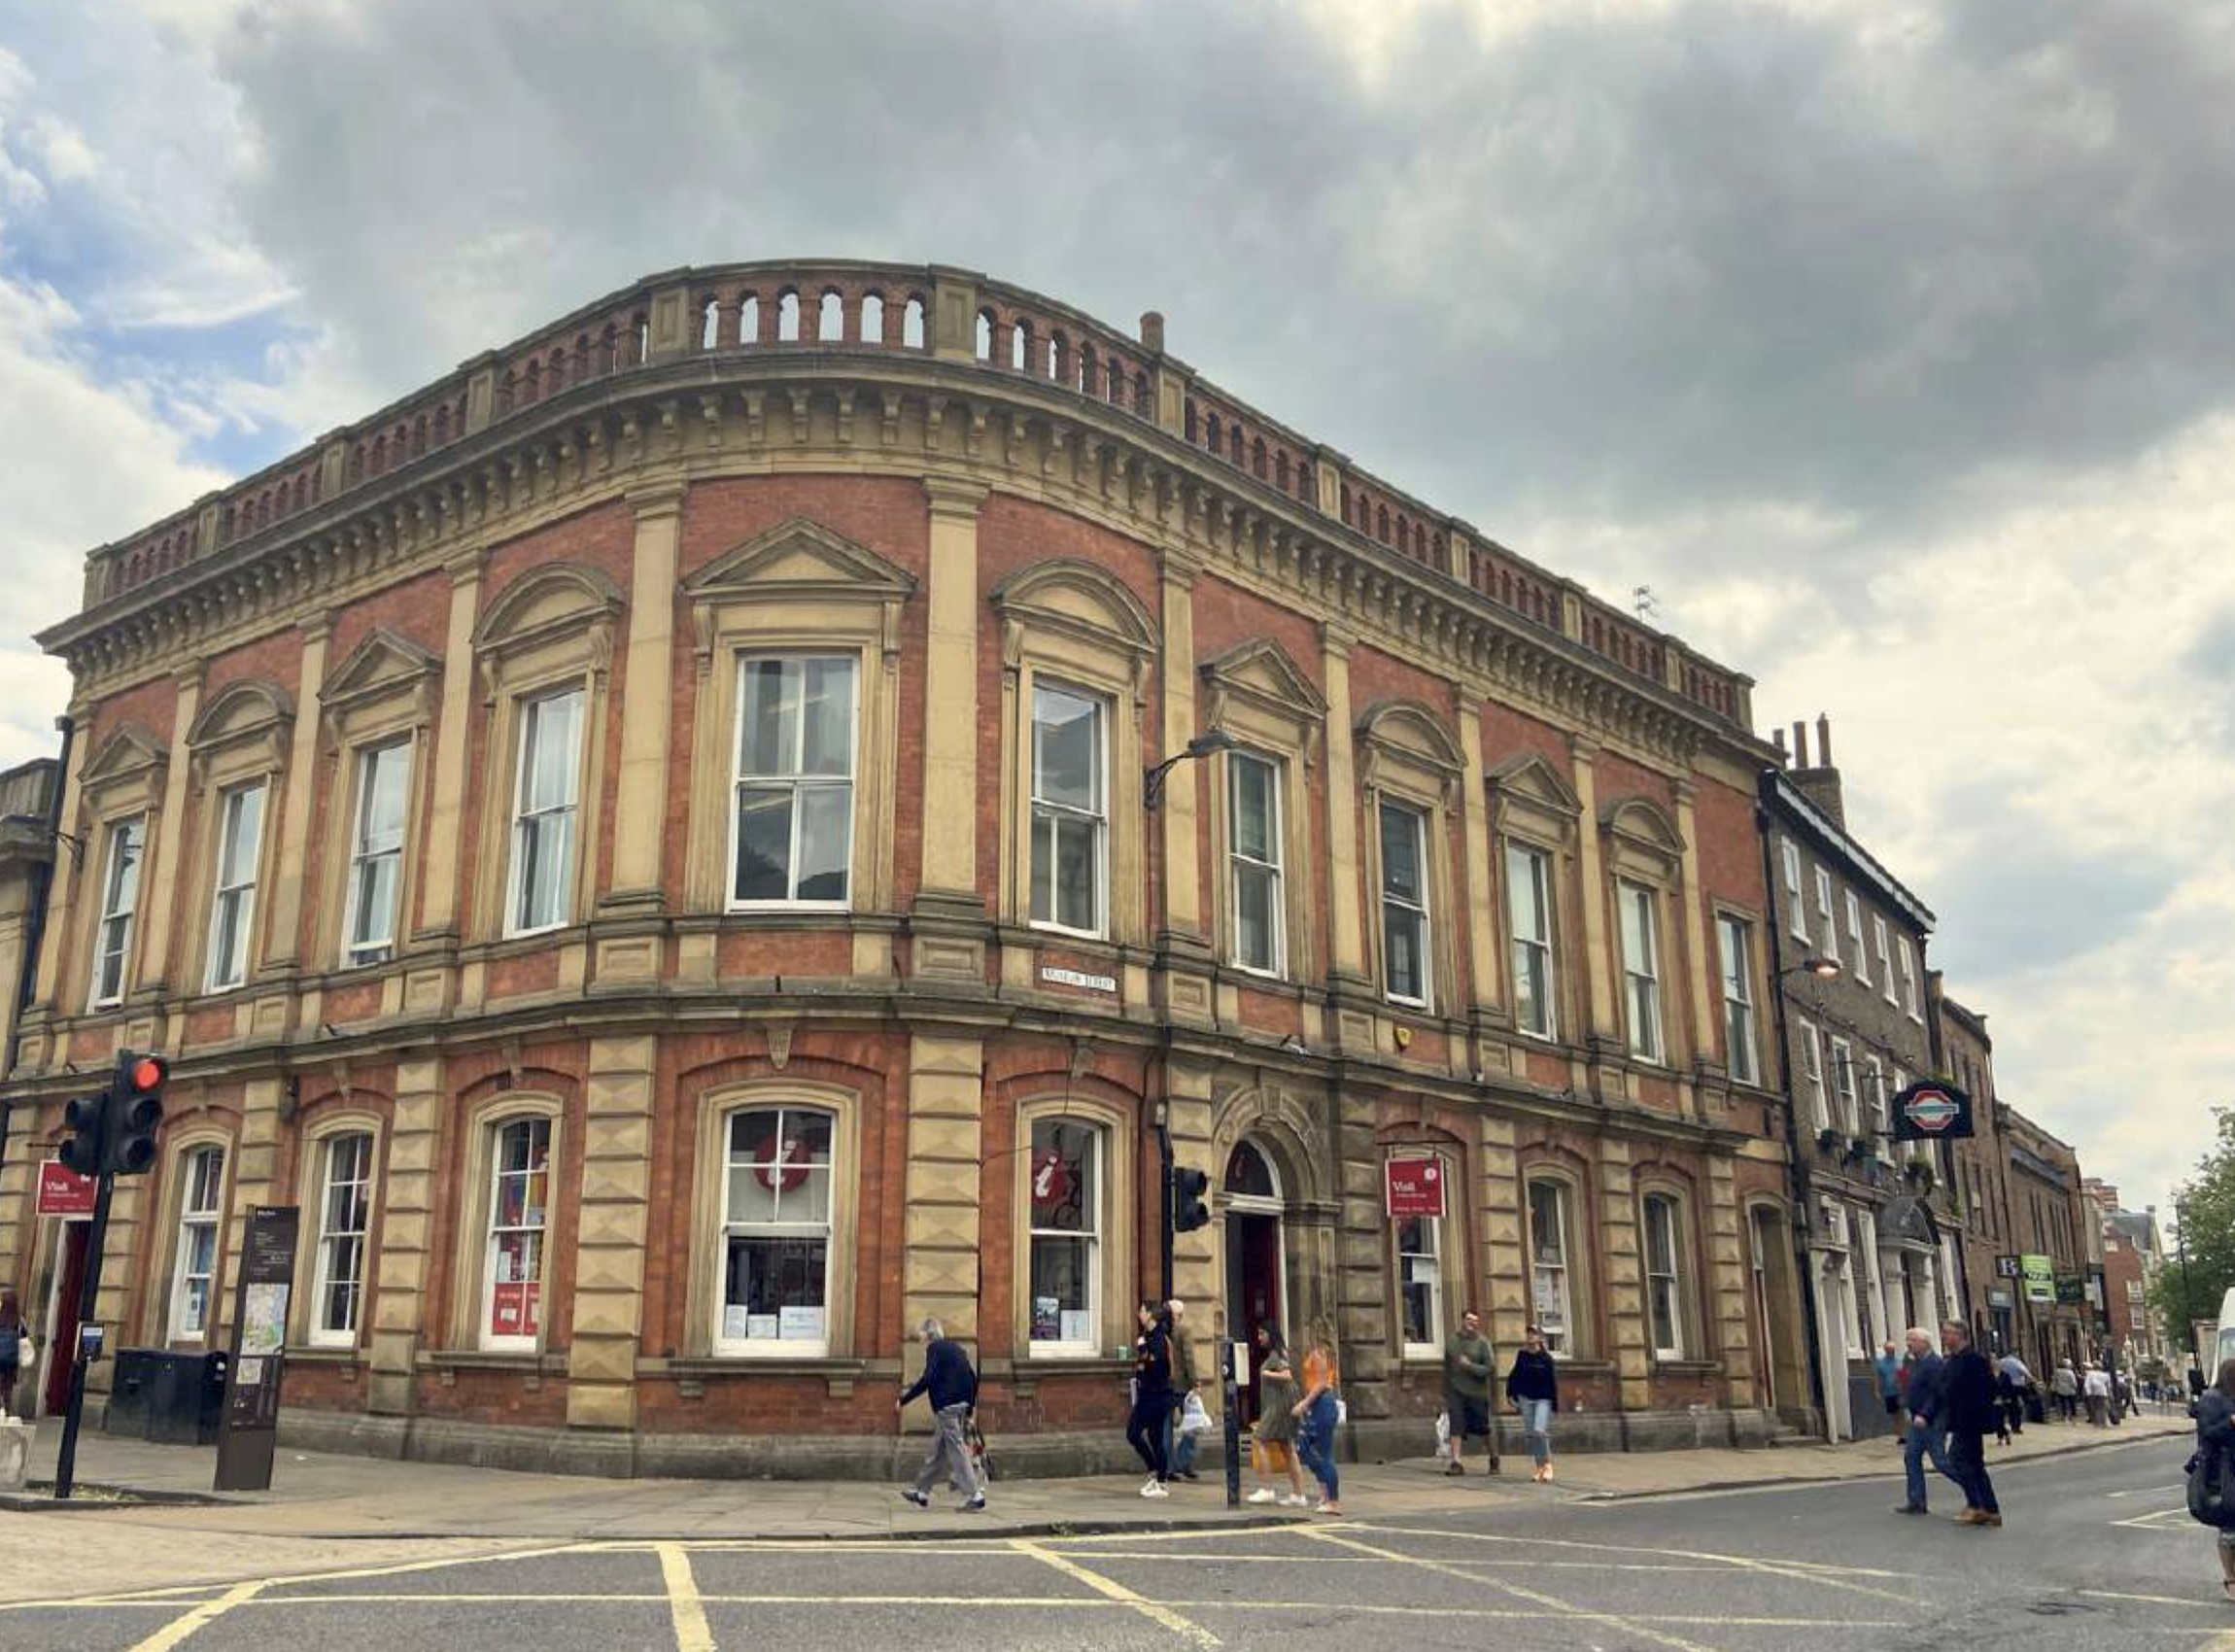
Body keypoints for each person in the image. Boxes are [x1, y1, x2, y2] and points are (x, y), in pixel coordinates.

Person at [896, 1317, 984, 1511]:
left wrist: (904, 1400)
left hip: (947, 1408)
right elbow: (971, 1377)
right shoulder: (956, 1349)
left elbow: (927, 1379)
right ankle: (922, 1492)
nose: (919, 1338)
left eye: (921, 1333)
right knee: (937, 1451)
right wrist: (969, 1408)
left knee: (957, 1450)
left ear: (929, 1334)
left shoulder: (934, 1349)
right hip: (960, 1405)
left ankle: (975, 1495)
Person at [1941, 1319, 2002, 1528]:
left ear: (1960, 1335)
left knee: (1956, 1459)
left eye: (1948, 1333)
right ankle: (1990, 1509)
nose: (1944, 1337)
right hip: (1960, 1420)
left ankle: (1977, 1506)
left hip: (1970, 1421)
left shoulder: (1973, 1360)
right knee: (1975, 1464)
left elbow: (1990, 1388)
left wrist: (1976, 1411)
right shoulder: (1954, 1360)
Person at [1245, 1324, 1310, 1507]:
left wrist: (1266, 1373)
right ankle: (1299, 1494)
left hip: (1280, 1406)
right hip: (1283, 1404)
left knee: (1259, 1440)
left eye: (1262, 1333)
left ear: (1271, 1335)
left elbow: (1288, 1375)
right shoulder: (1279, 1353)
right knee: (1287, 1448)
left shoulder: (1277, 1355)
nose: (1259, 1337)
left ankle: (1267, 1490)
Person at [1897, 1325, 1958, 1515]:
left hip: (1932, 1420)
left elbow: (1936, 1394)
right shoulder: (1917, 1363)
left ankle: (1973, 1486)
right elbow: (1913, 1388)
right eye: (1908, 1340)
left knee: (1940, 1461)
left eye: (1912, 1340)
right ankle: (1916, 1501)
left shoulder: (1934, 1364)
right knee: (1911, 1457)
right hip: (1918, 1420)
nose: (1909, 1344)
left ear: (1924, 1343)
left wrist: (1925, 1414)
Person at [2193, 1356, 2235, 1603]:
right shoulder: (2212, 1399)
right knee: (2229, 1527)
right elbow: (2207, 1433)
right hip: (2222, 1472)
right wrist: (2230, 1423)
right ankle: (2231, 1579)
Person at [1290, 1322, 1343, 1516]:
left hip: (1322, 1403)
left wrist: (1304, 1404)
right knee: (1305, 1448)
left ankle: (1334, 1501)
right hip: (1317, 1404)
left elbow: (1321, 1384)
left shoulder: (1320, 1353)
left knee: (1324, 1453)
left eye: (1309, 1330)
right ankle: (1324, 1493)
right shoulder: (1316, 1352)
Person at [1443, 1309, 1498, 1476]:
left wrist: (1470, 1366)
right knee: (1456, 1426)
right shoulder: (1453, 1341)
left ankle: (1494, 1458)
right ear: (1462, 1321)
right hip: (1456, 1391)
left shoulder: (1483, 1343)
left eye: (1475, 1321)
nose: (1472, 1323)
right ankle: (1456, 1462)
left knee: (1484, 1428)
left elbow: (1489, 1368)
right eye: (1469, 1319)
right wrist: (1444, 1392)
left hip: (1477, 1393)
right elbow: (1448, 1366)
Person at [1128, 1300, 1175, 1497]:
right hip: (1149, 1393)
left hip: (1156, 1395)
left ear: (1151, 1316)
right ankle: (1159, 1479)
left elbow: (1156, 1367)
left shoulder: (1158, 1339)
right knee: (1154, 1437)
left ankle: (1157, 1476)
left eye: (1142, 1310)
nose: (1139, 1313)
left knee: (1135, 1433)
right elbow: (1144, 1363)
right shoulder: (1147, 1337)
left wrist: (1143, 1361)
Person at [1506, 1324, 1561, 1484]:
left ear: (1540, 1338)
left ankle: (1548, 1465)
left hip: (1543, 1398)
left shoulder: (1546, 1359)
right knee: (1531, 1434)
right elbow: (1514, 1375)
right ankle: (1539, 1467)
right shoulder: (1522, 1355)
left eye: (1534, 1334)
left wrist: (1555, 1404)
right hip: (1525, 1398)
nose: (1531, 1336)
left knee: (1540, 1431)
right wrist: (1510, 1394)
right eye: (1529, 1333)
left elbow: (1552, 1382)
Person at [1163, 1298, 1201, 1483]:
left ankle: (1168, 1467)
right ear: (1180, 1315)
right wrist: (1195, 1382)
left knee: (1166, 1427)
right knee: (1192, 1424)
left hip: (1165, 1385)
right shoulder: (1183, 1331)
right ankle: (1184, 1462)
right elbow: (1189, 1358)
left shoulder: (1161, 1332)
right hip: (1182, 1386)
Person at [0, 1291, 26, 1421]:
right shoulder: (19, 1320)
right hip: (11, 1360)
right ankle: (6, 1411)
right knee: (7, 1387)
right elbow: (24, 1339)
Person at [1996, 1349, 2032, 1438]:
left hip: (2004, 1387)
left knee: (2009, 1407)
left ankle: (2008, 1424)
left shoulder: (2001, 1362)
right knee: (2017, 1407)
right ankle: (2016, 1426)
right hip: (2017, 1386)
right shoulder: (2016, 1362)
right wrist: (2032, 1380)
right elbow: (2024, 1372)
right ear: (2015, 1353)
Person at [1875, 1341, 1906, 1441]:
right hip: (1889, 1392)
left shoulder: (1899, 1361)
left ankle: (1904, 1434)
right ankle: (1899, 1434)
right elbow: (1878, 1378)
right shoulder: (1881, 1363)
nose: (1891, 1352)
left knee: (1902, 1412)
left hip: (1900, 1391)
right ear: (1885, 1350)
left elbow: (1904, 1376)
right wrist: (1877, 1390)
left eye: (1892, 1350)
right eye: (1889, 1350)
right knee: (1895, 1414)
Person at [2051, 1359, 2080, 1423]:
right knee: (2072, 1403)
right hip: (2070, 1390)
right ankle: (2073, 1416)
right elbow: (2073, 1381)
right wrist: (2075, 1387)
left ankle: (2064, 1416)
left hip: (2060, 1390)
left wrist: (2053, 1388)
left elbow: (2055, 1380)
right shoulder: (2070, 1372)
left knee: (2063, 1403)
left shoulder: (2057, 1371)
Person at [2084, 1361, 2113, 1427]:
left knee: (2095, 1408)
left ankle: (2097, 1423)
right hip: (2103, 1392)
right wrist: (2109, 1393)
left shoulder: (2090, 1374)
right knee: (2103, 1408)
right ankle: (2104, 1422)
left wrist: (2088, 1393)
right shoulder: (2106, 1375)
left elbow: (2087, 1384)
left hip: (2093, 1393)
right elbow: (2108, 1385)